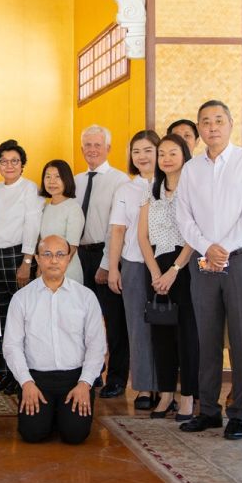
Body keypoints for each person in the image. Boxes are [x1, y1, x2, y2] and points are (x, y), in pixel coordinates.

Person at [177, 100, 242, 441]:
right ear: (199, 129)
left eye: (218, 120)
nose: (212, 126)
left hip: (241, 258)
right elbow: (184, 216)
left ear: (230, 125)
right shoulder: (191, 169)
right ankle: (209, 411)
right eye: (205, 122)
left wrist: (224, 247)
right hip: (203, 262)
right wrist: (207, 246)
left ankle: (241, 413)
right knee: (207, 337)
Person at [4, 235, 107, 444]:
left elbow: (97, 346)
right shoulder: (22, 298)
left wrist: (85, 383)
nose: (54, 260)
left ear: (69, 258)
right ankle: (51, 414)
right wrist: (26, 383)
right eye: (47, 255)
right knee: (32, 434)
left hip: (74, 379)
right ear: (37, 259)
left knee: (75, 435)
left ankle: (60, 415)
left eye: (60, 255)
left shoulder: (86, 297)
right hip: (37, 380)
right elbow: (12, 346)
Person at [137, 134, 197, 421]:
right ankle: (165, 395)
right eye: (162, 153)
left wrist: (174, 270)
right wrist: (155, 272)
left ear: (185, 155)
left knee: (186, 334)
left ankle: (187, 397)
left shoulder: (194, 188)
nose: (166, 158)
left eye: (173, 152)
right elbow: (142, 235)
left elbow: (196, 233)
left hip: (185, 266)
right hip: (157, 267)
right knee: (160, 332)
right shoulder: (153, 190)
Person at [74, 125, 130, 398]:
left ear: (108, 148)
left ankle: (117, 377)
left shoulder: (121, 181)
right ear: (82, 148)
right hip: (78, 255)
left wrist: (108, 264)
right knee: (83, 318)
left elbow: (116, 227)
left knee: (114, 319)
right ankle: (91, 373)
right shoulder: (76, 180)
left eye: (98, 145)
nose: (92, 150)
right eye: (87, 145)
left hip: (108, 254)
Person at [0, 139, 43, 394]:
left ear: (22, 164)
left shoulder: (30, 189)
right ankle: (5, 373)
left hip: (19, 256)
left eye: (14, 161)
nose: (9, 165)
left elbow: (32, 224)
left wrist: (27, 261)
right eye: (4, 161)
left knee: (21, 317)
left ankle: (23, 375)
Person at [108, 130, 160, 410]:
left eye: (147, 150)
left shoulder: (171, 185)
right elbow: (118, 230)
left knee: (166, 326)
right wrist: (114, 268)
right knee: (137, 327)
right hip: (133, 263)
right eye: (136, 151)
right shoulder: (126, 189)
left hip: (165, 266)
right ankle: (142, 387)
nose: (141, 156)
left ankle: (166, 388)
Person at [39, 160, 85, 284]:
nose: (52, 181)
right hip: (46, 271)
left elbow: (72, 247)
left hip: (67, 273)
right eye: (48, 176)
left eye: (57, 177)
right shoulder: (45, 207)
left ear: (66, 179)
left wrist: (53, 271)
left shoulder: (73, 208)